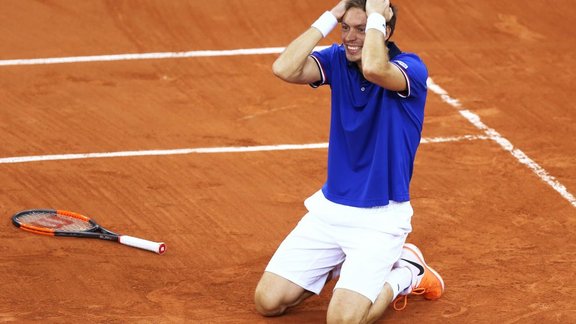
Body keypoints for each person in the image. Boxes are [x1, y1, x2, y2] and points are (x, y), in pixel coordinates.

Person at [254, 0, 444, 322]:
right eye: (346, 28)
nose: (350, 37)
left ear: (384, 31)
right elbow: (283, 68)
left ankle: (407, 271)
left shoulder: (410, 68)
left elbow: (374, 68)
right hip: (331, 211)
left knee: (342, 321)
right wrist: (332, 15)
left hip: (380, 220)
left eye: (360, 29)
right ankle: (340, 263)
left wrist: (374, 20)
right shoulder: (337, 60)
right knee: (267, 302)